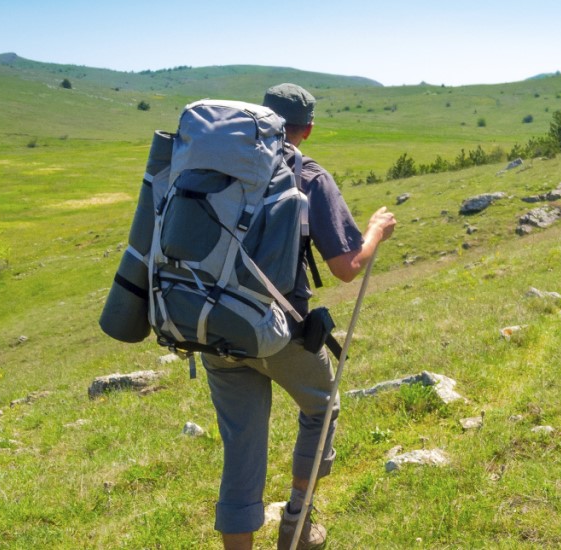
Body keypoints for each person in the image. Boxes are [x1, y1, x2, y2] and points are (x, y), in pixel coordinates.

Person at [202, 83, 396, 550]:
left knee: (242, 447)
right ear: (307, 129)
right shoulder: (306, 173)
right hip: (276, 328)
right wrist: (374, 232)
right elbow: (346, 268)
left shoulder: (219, 166)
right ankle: (296, 525)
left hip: (212, 325)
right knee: (322, 403)